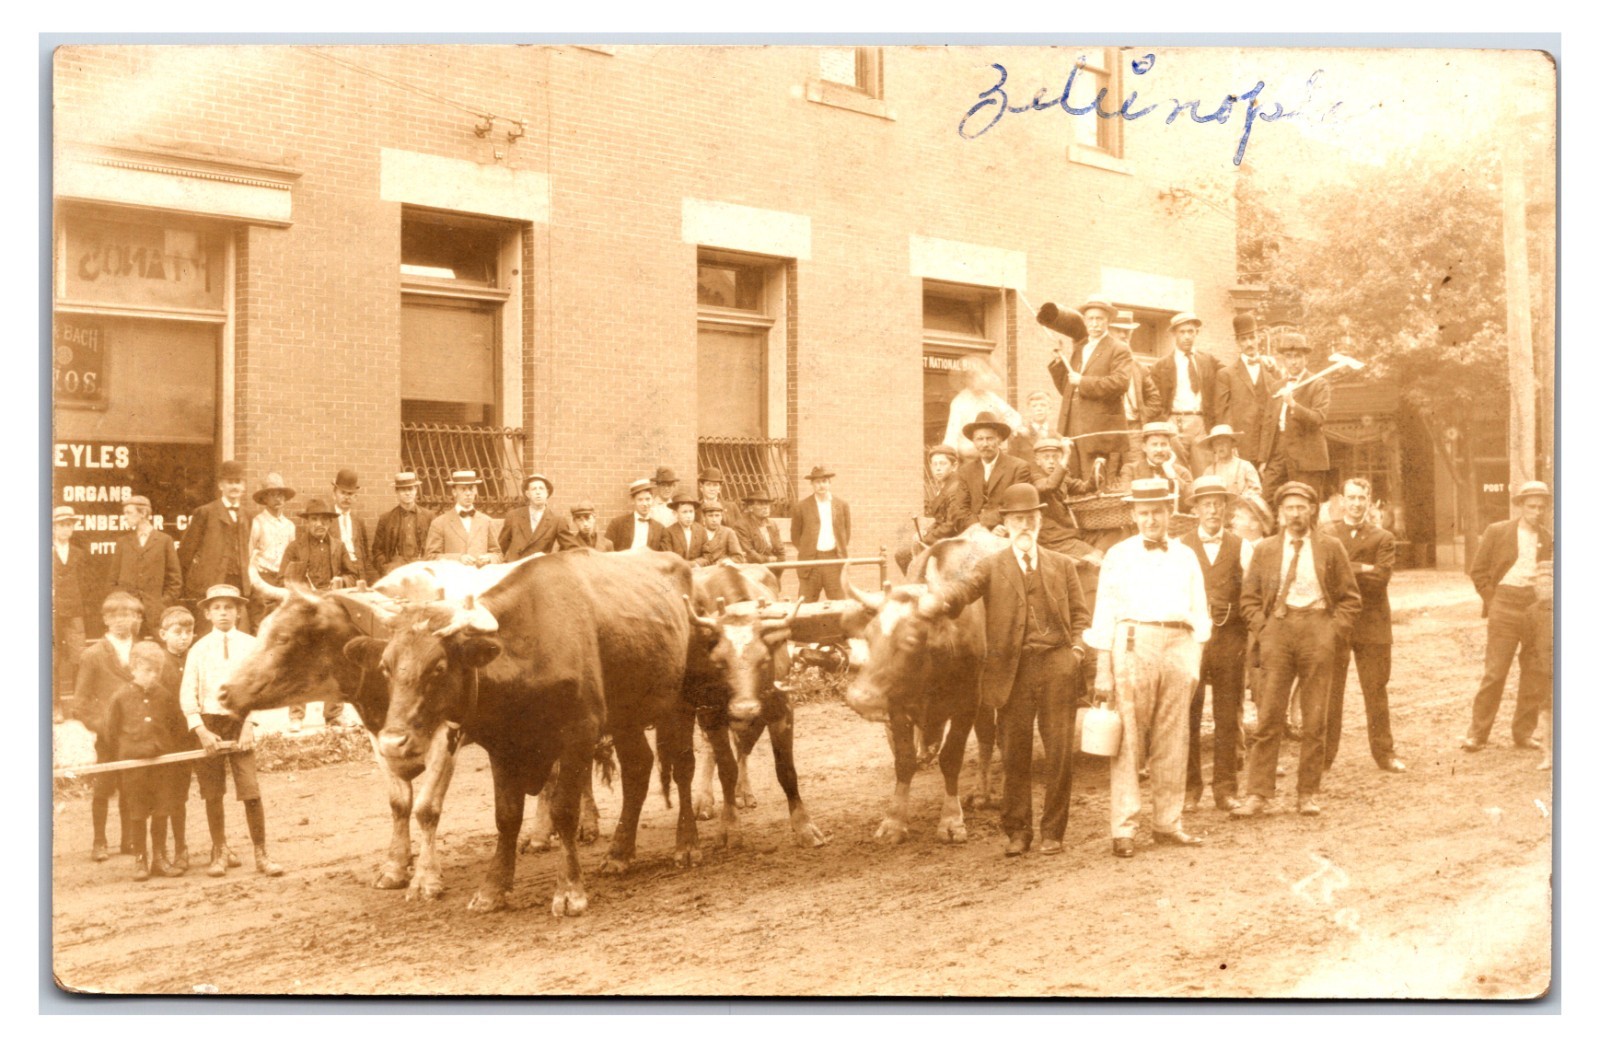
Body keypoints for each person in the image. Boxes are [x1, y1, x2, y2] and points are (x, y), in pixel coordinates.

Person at [918, 483, 1090, 858]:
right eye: (1017, 520)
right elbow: (964, 589)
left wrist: (1075, 651)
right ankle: (1018, 832)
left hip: (1057, 667)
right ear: (1007, 525)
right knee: (1014, 754)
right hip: (1013, 672)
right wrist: (938, 599)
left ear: (1040, 521)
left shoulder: (1062, 565)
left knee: (1060, 755)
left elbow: (1081, 616)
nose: (1025, 527)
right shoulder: (992, 566)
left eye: (1031, 519)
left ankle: (1052, 832)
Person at [1086, 479, 1212, 858]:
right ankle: (1123, 828)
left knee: (1174, 737)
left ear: (1169, 513)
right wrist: (1103, 671)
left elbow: (1199, 608)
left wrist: (1193, 658)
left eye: (1157, 511)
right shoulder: (1119, 555)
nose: (1151, 519)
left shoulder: (1185, 556)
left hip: (1179, 644)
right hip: (1133, 642)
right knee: (1129, 738)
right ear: (1133, 515)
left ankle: (1167, 823)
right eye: (1143, 513)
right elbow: (1104, 613)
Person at [1233, 482, 1362, 819]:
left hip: (1318, 630)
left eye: (1301, 507)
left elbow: (1350, 598)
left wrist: (1333, 632)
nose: (1295, 514)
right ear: (1280, 513)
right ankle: (1258, 794)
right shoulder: (1265, 550)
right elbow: (1247, 599)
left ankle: (1307, 793)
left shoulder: (1330, 547)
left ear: (1312, 510)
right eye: (1289, 508)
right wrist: (1263, 629)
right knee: (1269, 716)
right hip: (1278, 631)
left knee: (1315, 718)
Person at [180, 584, 283, 878]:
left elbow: (262, 688)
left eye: (229, 607)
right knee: (212, 793)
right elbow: (188, 694)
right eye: (217, 608)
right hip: (210, 724)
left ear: (238, 611)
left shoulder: (251, 645)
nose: (223, 613)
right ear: (208, 614)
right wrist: (200, 730)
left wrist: (249, 724)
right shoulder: (198, 649)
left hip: (241, 722)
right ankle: (219, 850)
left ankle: (261, 853)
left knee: (250, 790)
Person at [1321, 477, 1406, 774]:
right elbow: (1324, 577)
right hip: (1337, 623)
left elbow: (1380, 579)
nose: (1356, 504)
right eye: (1351, 497)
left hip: (1373, 623)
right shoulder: (1327, 533)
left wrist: (1346, 569)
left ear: (1369, 501)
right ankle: (1324, 757)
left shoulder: (1383, 537)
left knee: (1376, 690)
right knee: (1330, 693)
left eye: (1362, 498)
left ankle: (1385, 754)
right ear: (1342, 500)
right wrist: (1362, 567)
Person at [1462, 480, 1554, 753]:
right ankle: (1477, 734)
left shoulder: (1548, 537)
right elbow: (1477, 571)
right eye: (1531, 506)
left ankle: (1523, 733)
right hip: (1505, 604)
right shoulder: (1498, 531)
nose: (1536, 511)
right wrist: (1494, 601)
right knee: (1495, 672)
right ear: (1520, 506)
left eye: (1541, 507)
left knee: (1535, 672)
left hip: (1534, 608)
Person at [1180, 477, 1252, 813]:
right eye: (1205, 503)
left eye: (1218, 503)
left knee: (1227, 715)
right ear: (1194, 509)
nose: (1212, 509)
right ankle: (1190, 788)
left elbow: (1253, 595)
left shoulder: (1242, 547)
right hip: (1192, 640)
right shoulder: (1179, 547)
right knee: (1187, 715)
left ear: (1226, 508)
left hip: (1229, 640)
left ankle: (1225, 788)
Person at [103, 642, 189, 881]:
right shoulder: (120, 697)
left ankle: (160, 858)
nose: (152, 676)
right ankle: (140, 859)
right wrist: (128, 752)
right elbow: (111, 732)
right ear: (134, 668)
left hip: (162, 765)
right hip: (134, 766)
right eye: (146, 670)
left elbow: (176, 727)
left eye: (156, 671)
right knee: (138, 812)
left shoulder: (165, 696)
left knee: (162, 809)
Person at [74, 591, 145, 861]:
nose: (120, 620)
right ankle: (99, 841)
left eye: (127, 614)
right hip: (107, 735)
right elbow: (79, 704)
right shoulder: (93, 654)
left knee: (132, 786)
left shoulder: (142, 650)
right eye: (114, 614)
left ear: (136, 617)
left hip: (136, 734)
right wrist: (103, 726)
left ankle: (128, 840)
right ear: (105, 619)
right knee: (104, 787)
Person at [1048, 299, 1133, 482]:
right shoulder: (1081, 349)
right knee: (1074, 476)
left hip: (1099, 427)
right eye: (1090, 319)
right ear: (1085, 321)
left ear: (1108, 321)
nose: (1094, 324)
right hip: (1072, 422)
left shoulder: (1118, 348)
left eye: (1099, 319)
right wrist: (1058, 362)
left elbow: (1120, 383)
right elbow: (1067, 388)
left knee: (1096, 479)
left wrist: (1083, 381)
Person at [177, 460, 255, 631]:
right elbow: (185, 553)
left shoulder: (248, 515)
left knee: (240, 632)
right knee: (209, 631)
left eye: (238, 482)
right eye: (230, 482)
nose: (234, 486)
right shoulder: (205, 512)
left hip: (239, 583)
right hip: (211, 583)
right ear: (221, 485)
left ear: (243, 486)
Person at [1261, 333, 1331, 501]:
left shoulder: (1318, 384)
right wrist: (1264, 459)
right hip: (1278, 453)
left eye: (1298, 356)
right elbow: (1269, 424)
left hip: (1306, 456)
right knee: (1268, 500)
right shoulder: (1277, 386)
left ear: (1305, 358)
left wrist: (1293, 404)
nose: (1293, 361)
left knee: (1305, 505)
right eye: (1289, 357)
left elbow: (1318, 418)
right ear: (1283, 360)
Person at [1149, 313, 1221, 473]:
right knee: (1177, 472)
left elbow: (1229, 373)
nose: (1187, 336)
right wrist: (1165, 422)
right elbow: (1153, 399)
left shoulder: (1208, 360)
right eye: (1182, 332)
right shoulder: (1161, 365)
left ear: (1197, 333)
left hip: (1201, 423)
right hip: (1175, 423)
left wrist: (1262, 360)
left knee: (1204, 472)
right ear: (1174, 334)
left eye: (1191, 331)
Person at [106, 494, 183, 638]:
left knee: (159, 653)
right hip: (129, 614)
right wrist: (122, 605)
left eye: (129, 513)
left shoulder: (164, 540)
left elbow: (175, 580)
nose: (125, 517)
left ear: (143, 513)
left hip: (155, 613)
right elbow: (112, 580)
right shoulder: (123, 542)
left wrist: (161, 604)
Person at [156, 605, 196, 874]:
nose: (183, 637)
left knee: (194, 795)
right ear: (163, 634)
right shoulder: (158, 664)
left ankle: (192, 847)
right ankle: (169, 850)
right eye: (177, 632)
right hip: (167, 740)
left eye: (189, 631)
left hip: (193, 736)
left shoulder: (196, 658)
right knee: (167, 797)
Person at [1214, 314, 1283, 473]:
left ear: (1258, 338)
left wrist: (1275, 370)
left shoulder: (1270, 368)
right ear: (1237, 342)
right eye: (1244, 339)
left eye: (1252, 338)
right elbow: (1222, 414)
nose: (1249, 343)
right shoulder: (1226, 374)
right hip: (1243, 444)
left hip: (1270, 443)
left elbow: (1281, 397)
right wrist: (1231, 443)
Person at [896, 444, 972, 574]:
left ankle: (920, 587)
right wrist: (926, 532)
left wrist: (925, 540)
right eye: (934, 464)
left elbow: (951, 524)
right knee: (904, 554)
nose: (938, 468)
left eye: (942, 464)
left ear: (954, 466)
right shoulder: (945, 486)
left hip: (954, 540)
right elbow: (940, 520)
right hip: (943, 537)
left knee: (904, 555)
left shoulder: (957, 488)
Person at [52, 505, 93, 722]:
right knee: (52, 659)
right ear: (53, 527)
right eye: (62, 524)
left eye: (69, 524)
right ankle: (55, 705)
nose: (66, 529)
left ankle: (79, 705)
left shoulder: (78, 553)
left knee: (80, 657)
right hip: (51, 614)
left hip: (75, 612)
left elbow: (86, 584)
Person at [956, 413, 1031, 530]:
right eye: (979, 439)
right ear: (974, 442)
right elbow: (961, 508)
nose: (985, 444)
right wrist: (979, 528)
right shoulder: (965, 471)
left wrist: (993, 526)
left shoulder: (1019, 467)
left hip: (1005, 530)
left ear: (999, 440)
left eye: (990, 438)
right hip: (974, 532)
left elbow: (1015, 506)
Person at [1029, 436, 1099, 558]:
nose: (1051, 461)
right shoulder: (1035, 479)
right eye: (1046, 457)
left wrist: (1096, 476)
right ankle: (1091, 560)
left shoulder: (1063, 479)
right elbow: (1050, 485)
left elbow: (1084, 487)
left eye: (1055, 457)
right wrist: (1066, 455)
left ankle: (1092, 559)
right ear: (1037, 461)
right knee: (1094, 555)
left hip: (1070, 533)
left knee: (1115, 533)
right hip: (1054, 540)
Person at [944, 357, 1024, 461]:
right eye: (972, 377)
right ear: (966, 380)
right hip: (970, 455)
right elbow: (952, 433)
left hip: (991, 450)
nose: (977, 380)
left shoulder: (990, 396)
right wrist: (949, 457)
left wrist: (1009, 429)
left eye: (980, 376)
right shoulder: (960, 401)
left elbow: (1012, 415)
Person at [791, 466, 852, 600]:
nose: (821, 485)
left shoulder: (842, 505)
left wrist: (837, 550)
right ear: (812, 484)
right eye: (817, 482)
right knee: (806, 604)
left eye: (824, 481)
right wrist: (808, 551)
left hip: (834, 561)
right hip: (810, 563)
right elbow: (795, 537)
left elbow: (846, 534)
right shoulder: (801, 507)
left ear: (830, 483)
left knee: (839, 604)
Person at [245, 473, 297, 623]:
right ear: (264, 499)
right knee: (261, 620)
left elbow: (292, 556)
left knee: (282, 621)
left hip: (282, 579)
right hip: (263, 579)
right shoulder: (258, 522)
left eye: (280, 494)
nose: (278, 499)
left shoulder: (289, 526)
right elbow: (249, 555)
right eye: (272, 495)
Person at [425, 469, 503, 566]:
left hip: (480, 578)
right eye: (463, 489)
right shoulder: (439, 523)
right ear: (454, 492)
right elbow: (430, 557)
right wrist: (458, 559)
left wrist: (490, 558)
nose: (468, 493)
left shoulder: (486, 521)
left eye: (471, 489)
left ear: (475, 491)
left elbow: (498, 554)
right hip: (453, 578)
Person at [499, 472, 578, 560]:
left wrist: (552, 559)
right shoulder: (513, 516)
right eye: (534, 489)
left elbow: (572, 549)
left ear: (547, 493)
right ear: (528, 494)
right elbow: (500, 548)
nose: (538, 492)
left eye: (541, 489)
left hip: (538, 569)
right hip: (515, 568)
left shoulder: (557, 520)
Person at [372, 470, 436, 577]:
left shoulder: (429, 517)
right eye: (403, 490)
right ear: (396, 492)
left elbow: (436, 548)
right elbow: (377, 550)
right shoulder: (386, 519)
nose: (407, 493)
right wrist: (386, 569)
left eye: (410, 489)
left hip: (422, 569)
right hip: (396, 570)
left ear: (416, 490)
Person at [1118, 421, 1195, 510]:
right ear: (1144, 447)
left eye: (1163, 444)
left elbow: (1191, 502)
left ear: (1170, 447)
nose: (1159, 449)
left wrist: (1173, 476)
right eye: (1154, 445)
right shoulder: (1130, 470)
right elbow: (1128, 501)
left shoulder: (1182, 472)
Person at [331, 469, 378, 585]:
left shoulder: (358, 521)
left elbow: (364, 552)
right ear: (334, 494)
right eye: (343, 493)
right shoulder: (328, 519)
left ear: (355, 497)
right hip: (338, 572)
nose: (346, 497)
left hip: (358, 573)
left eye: (350, 494)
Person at [605, 478, 671, 552]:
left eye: (648, 499)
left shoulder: (660, 529)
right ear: (633, 501)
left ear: (652, 499)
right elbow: (607, 550)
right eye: (640, 500)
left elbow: (663, 556)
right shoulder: (617, 524)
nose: (645, 504)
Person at [1197, 425, 1262, 499]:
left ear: (1232, 444)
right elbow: (1205, 495)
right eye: (1217, 444)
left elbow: (1257, 490)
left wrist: (1246, 497)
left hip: (1241, 507)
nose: (1221, 446)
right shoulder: (1209, 471)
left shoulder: (1245, 466)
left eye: (1224, 442)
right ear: (1213, 448)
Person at [734, 488, 786, 570]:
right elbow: (749, 553)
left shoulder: (772, 524)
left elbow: (781, 550)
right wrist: (768, 559)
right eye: (760, 504)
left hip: (773, 568)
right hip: (752, 569)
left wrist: (779, 562)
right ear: (750, 508)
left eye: (767, 504)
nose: (765, 507)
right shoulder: (741, 525)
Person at [1008, 390, 1058, 461]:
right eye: (1034, 406)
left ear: (1050, 409)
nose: (1039, 409)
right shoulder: (1019, 435)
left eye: (1043, 405)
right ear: (1029, 410)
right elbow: (1012, 462)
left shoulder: (1057, 435)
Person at [698, 501, 745, 565]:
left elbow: (739, 557)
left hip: (722, 569)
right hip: (703, 570)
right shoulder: (698, 533)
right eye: (710, 516)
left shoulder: (728, 533)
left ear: (721, 517)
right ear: (704, 517)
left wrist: (727, 561)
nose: (714, 520)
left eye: (717, 515)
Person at [664, 494, 708, 562]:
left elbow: (707, 556)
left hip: (698, 570)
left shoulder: (701, 530)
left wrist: (697, 563)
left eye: (691, 511)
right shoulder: (668, 532)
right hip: (677, 571)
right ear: (675, 514)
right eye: (684, 512)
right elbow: (669, 559)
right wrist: (687, 565)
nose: (689, 516)